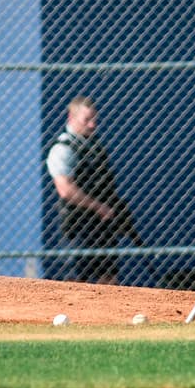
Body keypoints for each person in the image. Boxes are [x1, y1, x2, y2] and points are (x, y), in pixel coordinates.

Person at [46, 96, 124, 284]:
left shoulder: (94, 146)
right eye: (86, 120)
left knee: (108, 276)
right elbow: (65, 189)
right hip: (78, 223)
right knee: (77, 279)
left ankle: (108, 313)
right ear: (71, 119)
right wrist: (98, 207)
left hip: (102, 225)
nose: (92, 125)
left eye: (94, 119)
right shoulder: (63, 149)